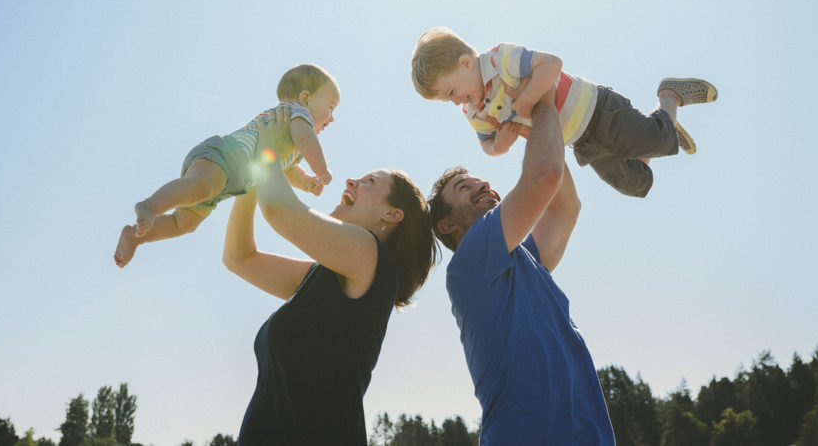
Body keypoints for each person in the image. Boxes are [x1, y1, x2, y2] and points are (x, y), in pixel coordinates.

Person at [223, 108, 437, 445]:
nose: (352, 181)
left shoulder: (371, 257)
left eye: (370, 182)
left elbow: (279, 211)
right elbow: (239, 258)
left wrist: (266, 145)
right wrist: (251, 179)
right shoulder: (320, 277)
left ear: (392, 215)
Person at [428, 95, 611, 445]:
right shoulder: (468, 263)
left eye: (480, 181)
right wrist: (539, 102)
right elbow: (544, 176)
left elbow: (563, 208)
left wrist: (530, 126)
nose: (482, 185)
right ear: (447, 224)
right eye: (464, 188)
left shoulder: (526, 261)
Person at [412, 27, 717, 198]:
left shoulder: (499, 61)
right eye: (445, 101)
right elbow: (488, 146)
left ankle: (669, 96)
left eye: (451, 92)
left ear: (466, 63)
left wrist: (525, 102)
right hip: (580, 141)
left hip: (597, 110)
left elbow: (551, 64)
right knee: (634, 183)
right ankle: (664, 126)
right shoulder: (474, 111)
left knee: (659, 141)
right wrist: (501, 144)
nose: (454, 102)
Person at [114, 64, 338, 268]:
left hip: (226, 181)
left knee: (184, 223)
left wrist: (307, 182)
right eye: (330, 106)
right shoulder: (295, 112)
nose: (332, 118)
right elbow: (307, 139)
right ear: (306, 97)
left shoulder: (293, 148)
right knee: (200, 187)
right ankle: (150, 206)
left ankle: (137, 236)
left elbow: (285, 170)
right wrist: (321, 169)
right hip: (223, 156)